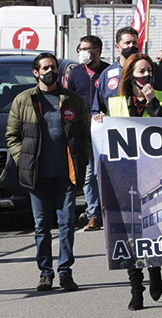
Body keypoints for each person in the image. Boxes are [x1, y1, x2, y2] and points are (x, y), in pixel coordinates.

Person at [6, 53, 91, 293]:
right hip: (38, 176)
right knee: (42, 227)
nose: (50, 71)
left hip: (66, 175)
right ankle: (45, 273)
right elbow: (12, 136)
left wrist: (82, 158)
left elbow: (85, 134)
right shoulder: (23, 100)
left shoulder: (72, 100)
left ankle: (65, 272)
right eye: (45, 68)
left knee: (66, 225)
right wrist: (23, 159)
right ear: (36, 72)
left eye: (53, 67)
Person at [99, 53, 162, 310]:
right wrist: (99, 121)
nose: (146, 76)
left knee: (152, 229)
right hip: (125, 175)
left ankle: (155, 269)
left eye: (149, 71)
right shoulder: (117, 102)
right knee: (129, 232)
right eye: (141, 72)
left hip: (153, 173)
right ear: (130, 75)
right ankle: (136, 289)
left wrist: (153, 102)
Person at [65, 35, 108, 232]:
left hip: (105, 129)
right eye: (80, 49)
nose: (82, 53)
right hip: (85, 131)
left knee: (105, 173)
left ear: (97, 51)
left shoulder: (108, 72)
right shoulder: (75, 73)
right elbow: (68, 99)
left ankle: (110, 211)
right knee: (90, 175)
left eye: (86, 49)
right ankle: (94, 214)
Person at [92, 27, 162, 116]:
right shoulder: (107, 74)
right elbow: (98, 107)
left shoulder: (153, 69)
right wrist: (99, 116)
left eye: (135, 43)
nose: (131, 46)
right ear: (118, 47)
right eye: (127, 43)